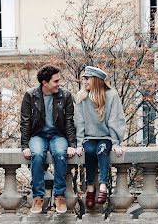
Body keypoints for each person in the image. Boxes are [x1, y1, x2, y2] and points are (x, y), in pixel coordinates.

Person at [20, 64, 77, 215]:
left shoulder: (65, 96)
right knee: (37, 155)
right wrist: (25, 145)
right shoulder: (30, 95)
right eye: (56, 81)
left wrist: (72, 144)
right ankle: (38, 197)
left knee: (60, 154)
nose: (59, 84)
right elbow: (25, 121)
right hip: (38, 135)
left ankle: (59, 195)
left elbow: (69, 121)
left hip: (58, 134)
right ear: (45, 83)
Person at [75, 65, 126, 208]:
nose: (84, 81)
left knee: (102, 150)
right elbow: (79, 122)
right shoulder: (82, 96)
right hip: (88, 137)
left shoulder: (111, 95)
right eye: (83, 78)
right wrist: (79, 144)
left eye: (87, 79)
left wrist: (116, 142)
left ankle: (103, 185)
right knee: (90, 151)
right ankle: (90, 187)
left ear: (96, 80)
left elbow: (115, 119)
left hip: (106, 137)